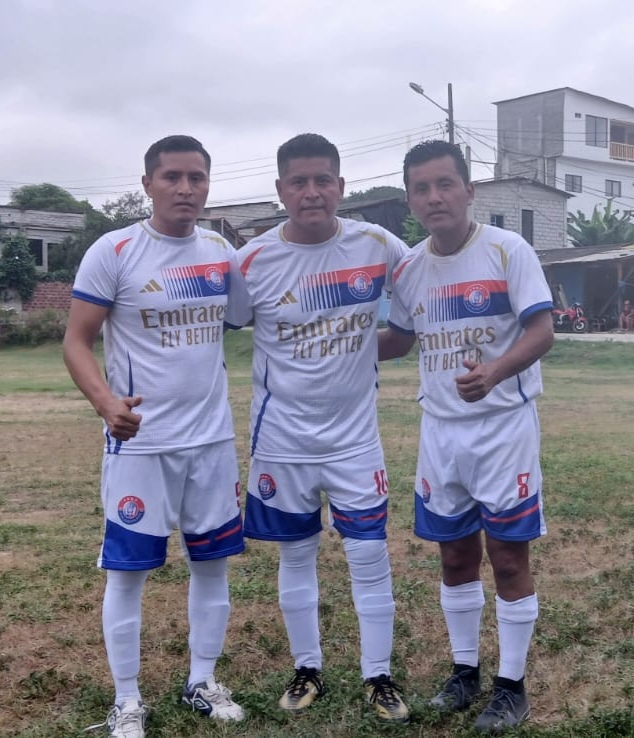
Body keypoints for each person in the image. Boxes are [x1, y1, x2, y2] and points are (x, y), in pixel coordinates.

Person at [63, 135, 246, 738]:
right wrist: (105, 403)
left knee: (212, 566)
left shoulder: (221, 253)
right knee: (128, 573)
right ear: (147, 184)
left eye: (197, 177)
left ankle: (202, 682)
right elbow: (76, 340)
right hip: (140, 444)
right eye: (172, 177)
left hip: (211, 442)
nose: (186, 189)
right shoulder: (114, 250)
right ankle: (126, 701)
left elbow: (245, 319)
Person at [227, 133, 410, 722]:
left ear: (341, 186)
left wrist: (354, 354)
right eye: (299, 182)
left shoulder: (378, 245)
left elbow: (408, 326)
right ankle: (307, 669)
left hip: (355, 441)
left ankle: (378, 676)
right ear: (281, 190)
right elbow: (215, 327)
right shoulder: (251, 260)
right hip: (282, 441)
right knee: (297, 556)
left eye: (322, 180)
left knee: (370, 555)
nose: (312, 192)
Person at [379, 140, 554, 733]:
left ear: (468, 190)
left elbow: (542, 331)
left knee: (507, 556)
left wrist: (495, 371)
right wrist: (334, 346)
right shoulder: (409, 269)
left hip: (503, 428)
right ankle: (464, 672)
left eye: (445, 184)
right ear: (411, 199)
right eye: (421, 188)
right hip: (440, 431)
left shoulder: (508, 251)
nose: (435, 197)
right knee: (454, 554)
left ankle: (511, 687)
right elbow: (400, 339)